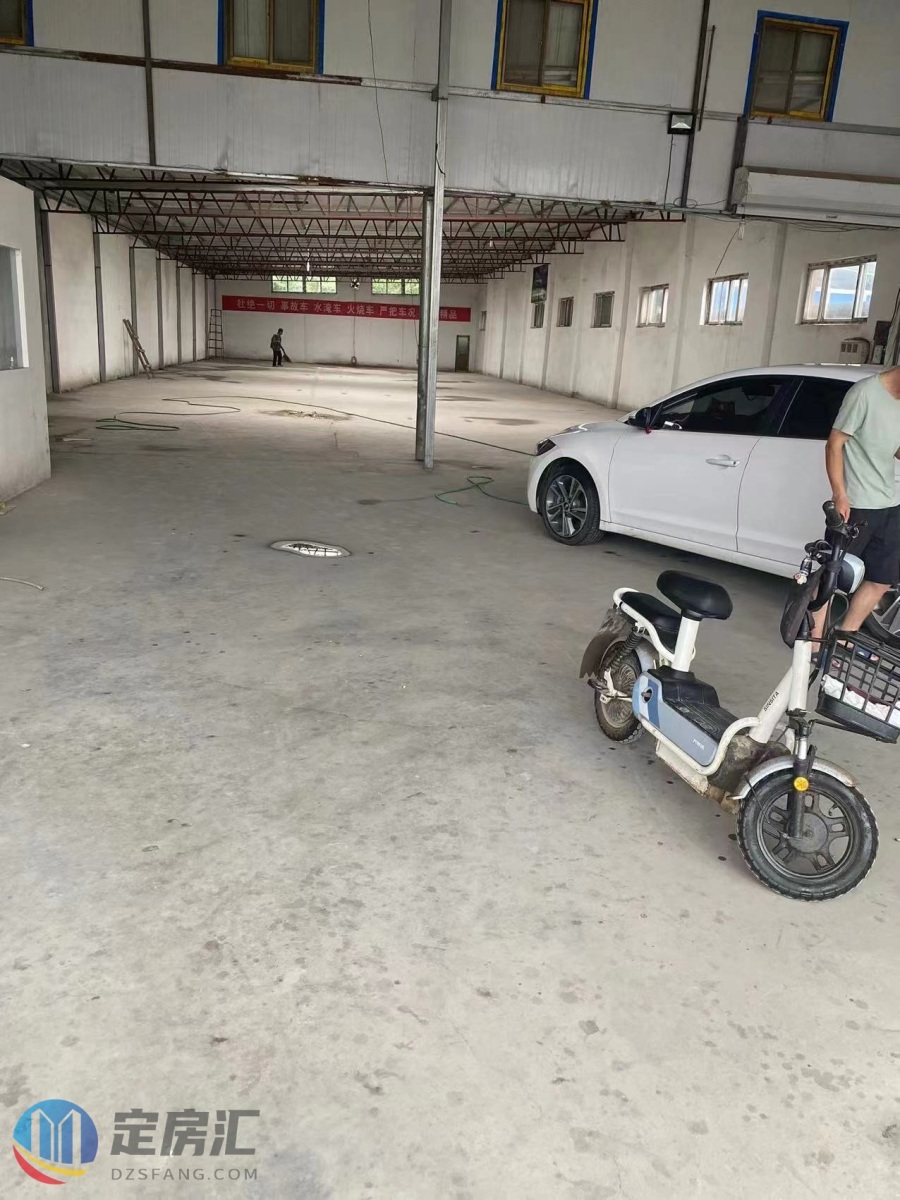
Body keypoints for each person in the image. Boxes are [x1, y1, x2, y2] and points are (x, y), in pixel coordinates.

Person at [813, 365, 900, 642]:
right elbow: (834, 444)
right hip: (857, 503)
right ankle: (812, 644)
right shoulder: (864, 393)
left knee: (882, 578)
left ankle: (843, 637)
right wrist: (839, 494)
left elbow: (893, 446)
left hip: (890, 502)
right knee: (831, 577)